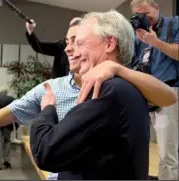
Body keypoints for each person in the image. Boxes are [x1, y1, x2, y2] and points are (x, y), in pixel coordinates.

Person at [0, 17, 177, 180]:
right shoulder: (51, 88)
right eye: (68, 42)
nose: (70, 48)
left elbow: (168, 97)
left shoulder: (117, 86)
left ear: (107, 43)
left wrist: (117, 69)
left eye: (77, 41)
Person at [30, 10, 150, 180]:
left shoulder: (107, 93)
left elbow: (45, 152)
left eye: (81, 44)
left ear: (109, 43)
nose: (75, 53)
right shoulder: (129, 87)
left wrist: (47, 109)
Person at [129, 0, 179, 180]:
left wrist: (154, 41)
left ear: (157, 7)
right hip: (143, 95)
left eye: (147, 14)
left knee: (168, 153)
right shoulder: (138, 35)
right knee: (142, 148)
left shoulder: (174, 24)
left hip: (168, 92)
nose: (144, 19)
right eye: (139, 16)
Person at [0, 86, 17, 170]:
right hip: (8, 124)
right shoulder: (12, 99)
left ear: (0, 92)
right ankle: (6, 160)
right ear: (6, 92)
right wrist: (16, 125)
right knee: (7, 142)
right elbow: (15, 112)